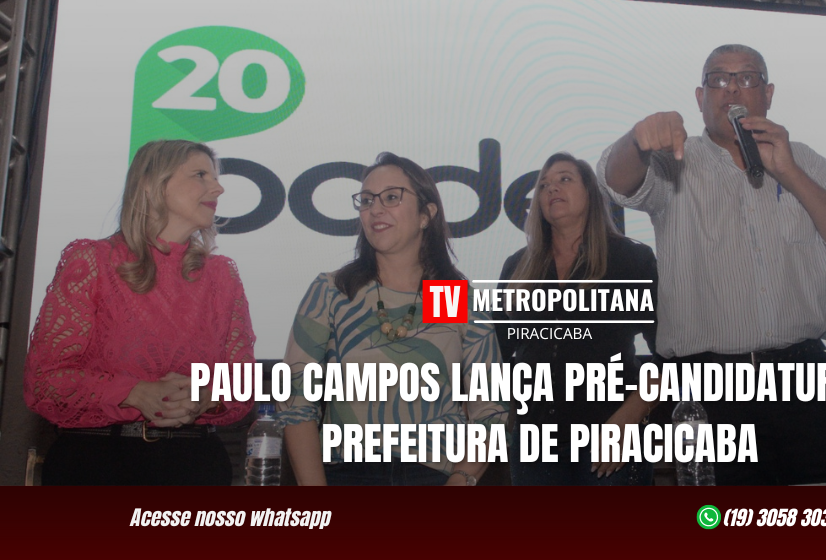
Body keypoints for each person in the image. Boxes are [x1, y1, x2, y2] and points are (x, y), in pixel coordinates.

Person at [597, 44, 826, 485]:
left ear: (767, 94)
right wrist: (637, 140)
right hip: (711, 388)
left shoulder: (806, 161)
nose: (732, 88)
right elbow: (616, 182)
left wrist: (790, 173)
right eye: (718, 79)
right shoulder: (677, 161)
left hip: (806, 378)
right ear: (701, 97)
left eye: (747, 78)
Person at [24, 139, 255, 485]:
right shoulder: (93, 262)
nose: (217, 188)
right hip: (96, 464)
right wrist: (134, 393)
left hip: (195, 466)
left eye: (215, 178)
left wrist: (205, 397)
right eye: (200, 175)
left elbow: (242, 384)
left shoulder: (222, 276)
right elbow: (44, 381)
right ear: (151, 184)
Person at [278, 152, 508, 486]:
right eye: (367, 200)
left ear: (426, 214)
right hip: (347, 474)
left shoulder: (450, 295)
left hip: (433, 477)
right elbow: (296, 401)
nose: (375, 209)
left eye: (391, 197)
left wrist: (460, 481)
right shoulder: (334, 290)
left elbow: (491, 411)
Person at [494, 153, 658, 485]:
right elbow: (495, 352)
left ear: (591, 193)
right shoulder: (517, 267)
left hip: (609, 437)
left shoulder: (632, 259)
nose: (551, 188)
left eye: (564, 179)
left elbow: (669, 353)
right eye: (543, 185)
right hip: (534, 444)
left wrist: (629, 417)